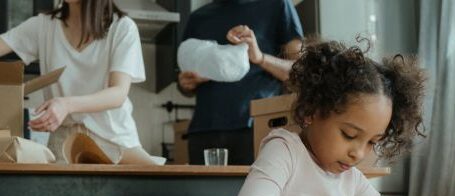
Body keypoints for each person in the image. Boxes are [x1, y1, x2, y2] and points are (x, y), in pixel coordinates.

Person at [231, 37, 452, 196]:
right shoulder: (285, 149)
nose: (358, 153)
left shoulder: (351, 178)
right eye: (349, 134)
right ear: (311, 112)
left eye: (372, 142)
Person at [0, 0, 157, 165]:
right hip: (63, 144)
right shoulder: (44, 26)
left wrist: (66, 105)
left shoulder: (122, 27)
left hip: (113, 140)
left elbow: (118, 93)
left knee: (159, 184)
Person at [178, 0, 303, 165]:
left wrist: (260, 58)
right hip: (203, 131)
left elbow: (300, 72)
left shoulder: (277, 5)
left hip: (256, 128)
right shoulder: (197, 17)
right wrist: (185, 84)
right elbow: (185, 84)